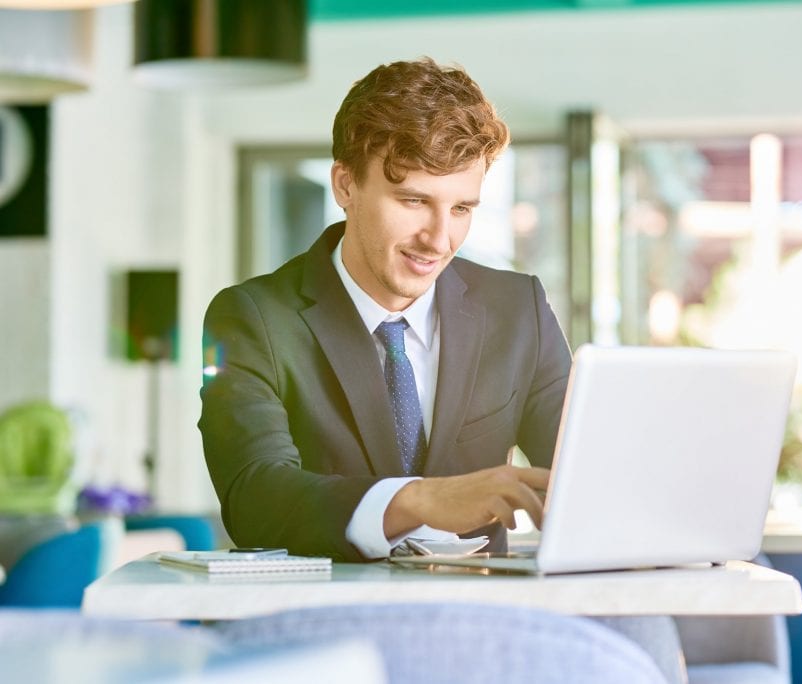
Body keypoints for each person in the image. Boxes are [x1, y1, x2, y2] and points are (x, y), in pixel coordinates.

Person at [198, 57, 572, 563]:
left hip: (484, 618)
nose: (439, 240)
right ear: (345, 186)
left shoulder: (517, 308)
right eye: (414, 201)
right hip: (328, 622)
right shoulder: (253, 318)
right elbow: (255, 499)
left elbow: (584, 479)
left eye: (461, 208)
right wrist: (419, 500)